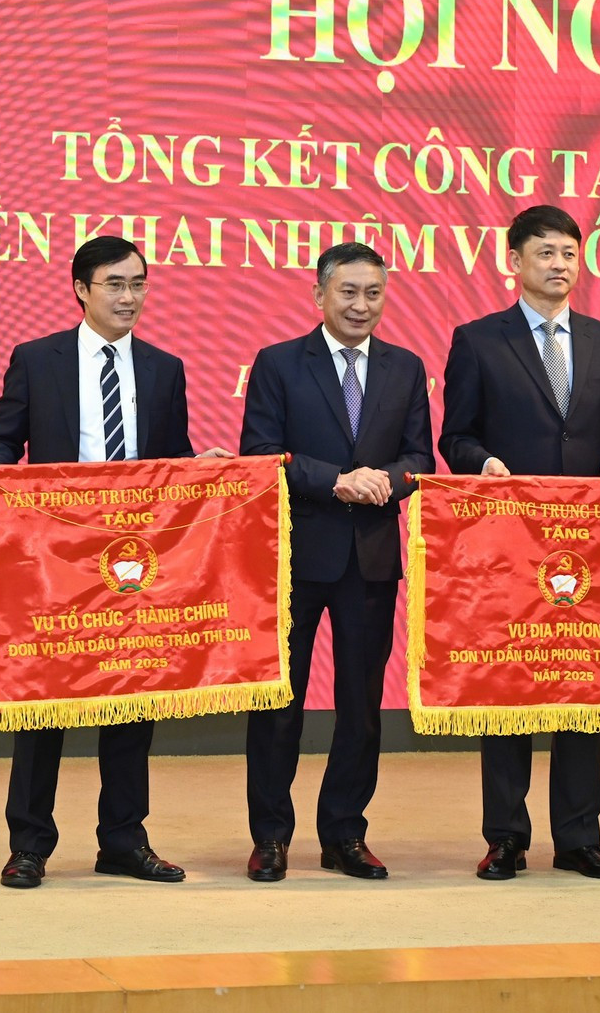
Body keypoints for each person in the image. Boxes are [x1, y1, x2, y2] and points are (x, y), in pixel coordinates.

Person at [0, 235, 225, 890]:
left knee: (132, 697)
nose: (129, 296)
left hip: (131, 561)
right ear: (82, 288)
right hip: (56, 559)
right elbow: (4, 435)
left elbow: (169, 459)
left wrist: (200, 472)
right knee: (44, 705)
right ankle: (29, 844)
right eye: (115, 283)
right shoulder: (38, 359)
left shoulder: (164, 368)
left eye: (138, 283)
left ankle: (123, 840)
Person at [438, 205, 600, 882]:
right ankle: (506, 836)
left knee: (584, 685)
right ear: (515, 261)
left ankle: (579, 836)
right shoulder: (477, 340)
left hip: (590, 546)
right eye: (546, 252)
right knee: (509, 688)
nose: (559, 264)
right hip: (508, 543)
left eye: (569, 253)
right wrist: (482, 464)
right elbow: (455, 436)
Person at [238, 243, 433, 882]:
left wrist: (387, 481)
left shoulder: (406, 368)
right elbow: (262, 453)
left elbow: (420, 459)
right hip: (294, 554)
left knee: (361, 705)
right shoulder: (279, 363)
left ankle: (344, 832)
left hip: (371, 559)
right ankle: (270, 837)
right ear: (319, 296)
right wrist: (339, 481)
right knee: (277, 705)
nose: (360, 305)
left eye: (373, 293)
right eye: (348, 292)